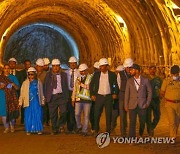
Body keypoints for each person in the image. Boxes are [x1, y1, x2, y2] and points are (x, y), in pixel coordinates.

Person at [90, 58, 119, 135]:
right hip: (99, 97)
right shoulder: (96, 75)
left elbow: (115, 84)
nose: (101, 68)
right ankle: (96, 129)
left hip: (108, 97)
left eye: (102, 66)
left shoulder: (112, 75)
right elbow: (91, 84)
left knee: (108, 114)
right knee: (97, 114)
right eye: (100, 66)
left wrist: (115, 92)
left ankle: (108, 131)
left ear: (107, 66)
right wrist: (92, 94)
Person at [125, 64, 152, 138]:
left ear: (137, 71)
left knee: (142, 121)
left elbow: (150, 92)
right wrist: (126, 105)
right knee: (132, 122)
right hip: (132, 104)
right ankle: (131, 138)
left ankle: (140, 133)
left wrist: (147, 103)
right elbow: (127, 93)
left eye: (132, 70)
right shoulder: (129, 81)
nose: (130, 71)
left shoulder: (145, 80)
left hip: (142, 104)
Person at [44, 59, 69, 135]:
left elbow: (66, 86)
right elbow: (46, 86)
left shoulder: (64, 75)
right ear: (52, 66)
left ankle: (61, 124)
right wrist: (45, 96)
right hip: (52, 96)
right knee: (53, 114)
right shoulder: (48, 75)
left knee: (64, 111)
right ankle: (55, 129)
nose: (55, 68)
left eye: (57, 66)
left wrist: (66, 97)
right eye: (54, 66)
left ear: (59, 66)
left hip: (61, 96)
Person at [19, 67, 44, 135]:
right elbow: (22, 93)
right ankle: (29, 129)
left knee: (37, 115)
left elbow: (41, 93)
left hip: (36, 101)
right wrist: (20, 102)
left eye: (32, 74)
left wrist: (42, 101)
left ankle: (38, 129)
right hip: (28, 102)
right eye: (29, 74)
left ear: (35, 74)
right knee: (28, 115)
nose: (30, 76)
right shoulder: (25, 83)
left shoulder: (39, 82)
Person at [72, 64, 93, 136]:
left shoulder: (91, 78)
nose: (82, 73)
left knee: (86, 116)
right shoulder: (78, 78)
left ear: (87, 70)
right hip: (78, 100)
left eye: (83, 71)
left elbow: (90, 87)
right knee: (77, 114)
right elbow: (74, 89)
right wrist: (73, 99)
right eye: (81, 71)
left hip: (87, 100)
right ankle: (79, 126)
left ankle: (84, 130)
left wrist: (81, 84)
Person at [160, 65, 180, 139]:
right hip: (169, 103)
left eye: (177, 74)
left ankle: (174, 134)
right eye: (174, 74)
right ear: (172, 73)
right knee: (172, 121)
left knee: (177, 122)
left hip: (178, 104)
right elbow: (162, 92)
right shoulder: (167, 81)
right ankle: (172, 137)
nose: (176, 75)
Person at [0, 64, 19, 133]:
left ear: (10, 69)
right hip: (2, 97)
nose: (6, 70)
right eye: (5, 68)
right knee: (4, 112)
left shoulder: (13, 77)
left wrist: (13, 84)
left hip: (11, 97)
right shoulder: (0, 77)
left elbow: (17, 88)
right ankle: (6, 127)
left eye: (8, 68)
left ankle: (12, 126)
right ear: (3, 69)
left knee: (11, 111)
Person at [117, 58, 133, 136]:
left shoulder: (133, 74)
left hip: (132, 96)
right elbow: (119, 85)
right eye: (127, 67)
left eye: (130, 67)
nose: (128, 69)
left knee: (132, 115)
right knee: (122, 115)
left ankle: (131, 132)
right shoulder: (120, 74)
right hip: (122, 96)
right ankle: (123, 133)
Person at [65, 56, 80, 133]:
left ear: (76, 63)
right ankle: (69, 127)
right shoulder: (66, 73)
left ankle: (75, 126)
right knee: (69, 110)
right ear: (69, 64)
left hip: (77, 92)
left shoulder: (79, 72)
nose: (73, 64)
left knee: (75, 110)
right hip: (68, 92)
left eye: (74, 63)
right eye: (71, 63)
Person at [146, 65, 162, 136]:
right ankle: (149, 130)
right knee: (148, 116)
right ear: (149, 70)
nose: (152, 71)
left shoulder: (158, 79)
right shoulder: (145, 78)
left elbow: (162, 88)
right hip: (147, 99)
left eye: (154, 69)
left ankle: (151, 127)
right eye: (151, 69)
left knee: (157, 116)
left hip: (156, 99)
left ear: (156, 70)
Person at [111, 65, 124, 133]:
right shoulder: (113, 80)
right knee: (114, 114)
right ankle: (112, 126)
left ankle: (123, 130)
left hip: (123, 99)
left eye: (119, 72)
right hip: (116, 101)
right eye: (117, 72)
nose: (117, 74)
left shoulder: (125, 80)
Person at [18, 59, 31, 124]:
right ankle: (23, 120)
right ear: (24, 65)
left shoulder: (33, 72)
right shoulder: (21, 73)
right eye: (26, 64)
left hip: (31, 92)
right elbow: (20, 82)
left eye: (29, 64)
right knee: (23, 107)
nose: (28, 65)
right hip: (24, 90)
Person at [90, 61, 100, 133]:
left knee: (95, 113)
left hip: (99, 97)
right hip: (94, 97)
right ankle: (94, 127)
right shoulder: (91, 76)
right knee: (93, 113)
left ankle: (95, 127)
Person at [43, 58, 51, 126]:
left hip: (49, 92)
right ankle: (45, 120)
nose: (45, 66)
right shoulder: (40, 73)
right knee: (44, 108)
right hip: (43, 92)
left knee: (48, 107)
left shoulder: (51, 72)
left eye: (46, 65)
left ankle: (48, 120)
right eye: (44, 65)